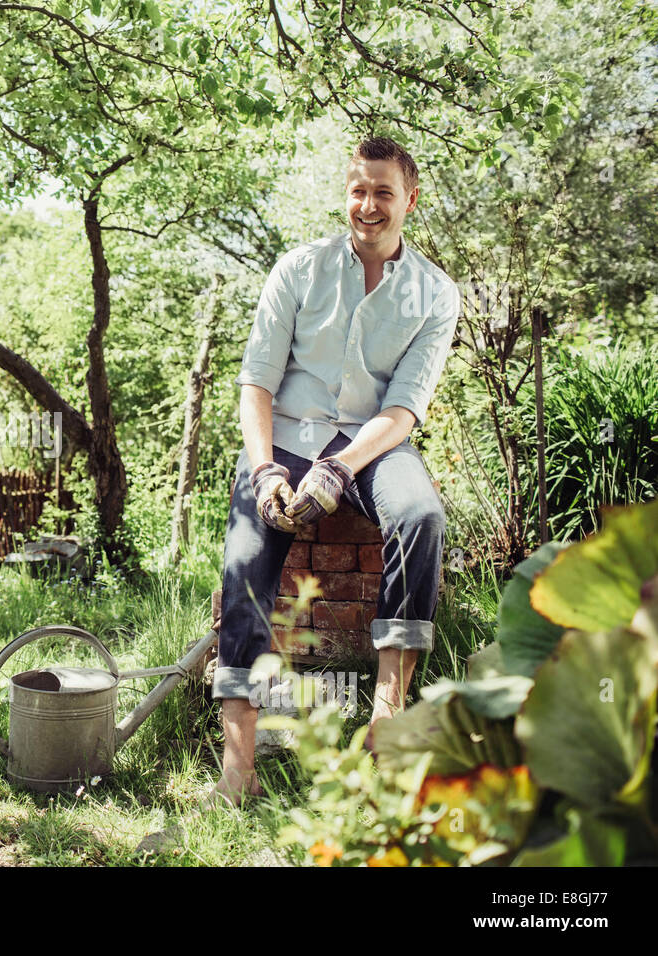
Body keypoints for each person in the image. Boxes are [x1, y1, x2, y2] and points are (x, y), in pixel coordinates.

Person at [209, 136, 462, 807]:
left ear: (411, 199)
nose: (368, 204)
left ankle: (386, 718)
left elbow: (406, 407)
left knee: (421, 514)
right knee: (244, 559)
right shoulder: (299, 269)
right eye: (358, 189)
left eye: (384, 192)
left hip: (372, 445)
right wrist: (264, 472)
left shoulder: (437, 293)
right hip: (285, 438)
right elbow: (255, 384)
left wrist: (340, 470)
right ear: (344, 194)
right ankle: (238, 767)